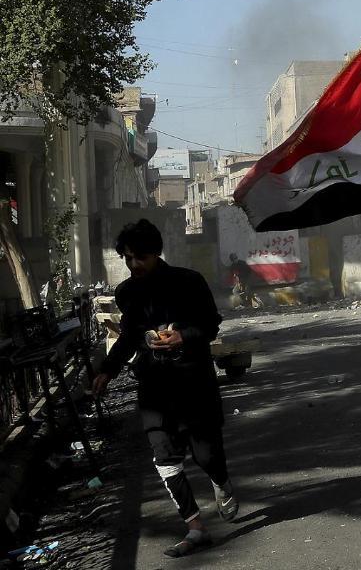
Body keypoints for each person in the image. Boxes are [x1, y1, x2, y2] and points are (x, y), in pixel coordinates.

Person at [92, 219, 236, 558]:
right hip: (155, 388)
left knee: (206, 456)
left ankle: (221, 481)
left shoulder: (189, 282)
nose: (133, 265)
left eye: (139, 257)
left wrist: (183, 336)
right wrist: (108, 370)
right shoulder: (127, 293)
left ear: (157, 252)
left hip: (194, 383)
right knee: (165, 458)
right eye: (127, 258)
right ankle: (195, 527)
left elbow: (210, 325)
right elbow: (128, 335)